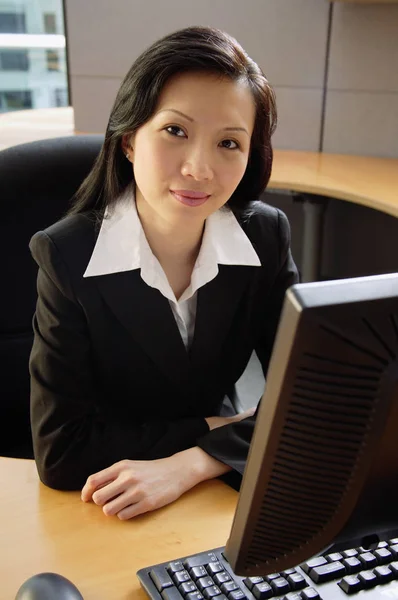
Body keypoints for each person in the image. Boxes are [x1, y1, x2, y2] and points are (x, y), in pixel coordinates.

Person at [29, 25, 299, 520]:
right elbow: (63, 454)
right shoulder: (66, 257)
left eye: (229, 144)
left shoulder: (264, 236)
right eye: (176, 131)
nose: (199, 168)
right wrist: (217, 427)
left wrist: (195, 462)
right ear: (130, 139)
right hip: (107, 504)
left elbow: (304, 398)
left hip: (205, 498)